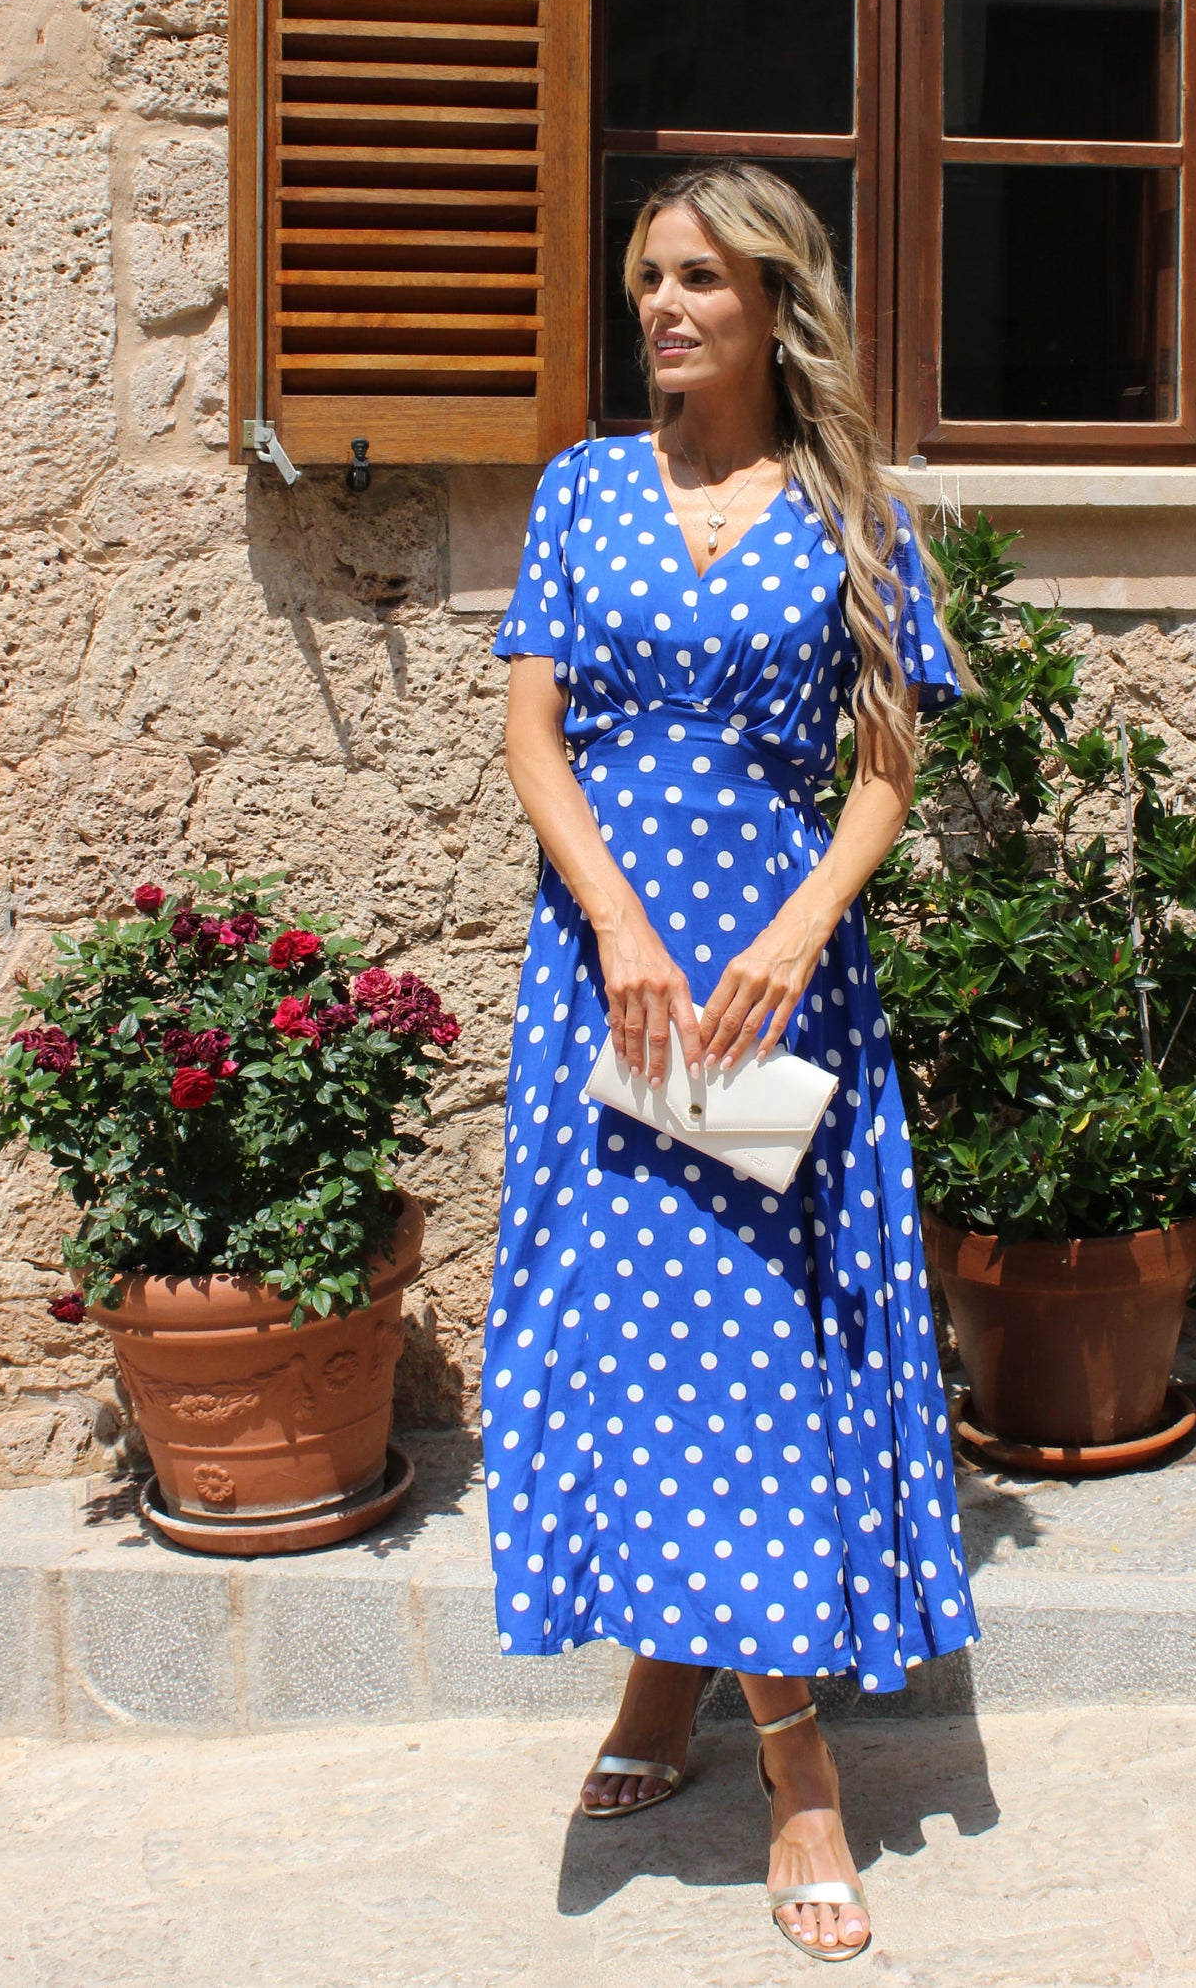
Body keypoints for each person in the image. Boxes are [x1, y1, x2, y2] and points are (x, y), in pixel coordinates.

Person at [485, 160, 980, 1963]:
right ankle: (667, 1682)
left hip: (775, 991)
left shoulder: (856, 513)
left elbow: (885, 769)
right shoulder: (584, 487)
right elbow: (533, 735)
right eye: (648, 279)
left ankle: (791, 1771)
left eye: (698, 279)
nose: (664, 308)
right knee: (639, 1337)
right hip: (609, 985)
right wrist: (617, 921)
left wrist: (795, 932)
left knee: (754, 1348)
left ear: (776, 302)